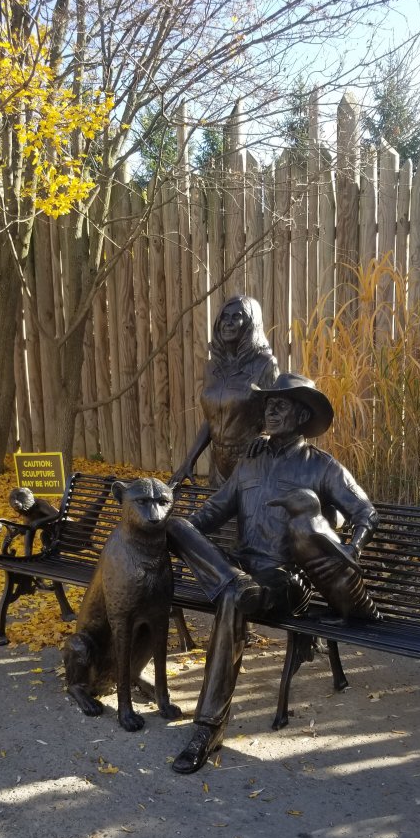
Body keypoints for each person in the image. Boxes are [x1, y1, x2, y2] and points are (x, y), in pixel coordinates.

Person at [166, 372, 379, 774]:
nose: (271, 409)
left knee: (231, 596)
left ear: (302, 415)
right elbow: (210, 514)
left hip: (284, 580)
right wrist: (171, 530)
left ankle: (208, 728)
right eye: (268, 403)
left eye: (281, 403)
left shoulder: (322, 467)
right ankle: (232, 581)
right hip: (238, 568)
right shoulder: (250, 462)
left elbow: (365, 512)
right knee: (173, 527)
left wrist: (350, 548)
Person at [170, 294, 278, 487]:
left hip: (251, 462)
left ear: (251, 323)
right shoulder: (212, 367)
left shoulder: (264, 364)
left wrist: (267, 434)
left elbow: (278, 411)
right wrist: (189, 461)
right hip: (219, 464)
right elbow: (212, 420)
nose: (227, 323)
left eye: (236, 316)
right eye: (224, 317)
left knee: (250, 516)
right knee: (216, 516)